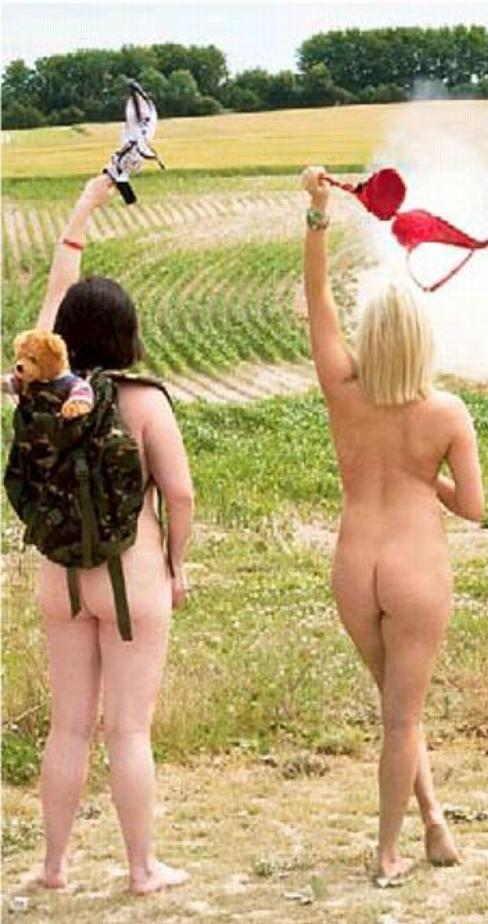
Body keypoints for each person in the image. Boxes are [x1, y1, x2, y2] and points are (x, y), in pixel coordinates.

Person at [300, 165, 485, 885]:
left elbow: (316, 298)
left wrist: (317, 214)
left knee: (396, 707)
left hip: (354, 565)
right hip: (415, 568)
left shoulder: (342, 390)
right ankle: (387, 851)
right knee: (402, 718)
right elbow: (473, 507)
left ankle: (434, 822)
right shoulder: (445, 413)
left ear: (370, 335)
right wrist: (422, 475)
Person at [30, 174, 194, 896]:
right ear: (129, 334)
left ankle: (54, 867)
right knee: (128, 730)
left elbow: (52, 300)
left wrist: (84, 208)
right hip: (134, 578)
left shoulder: (40, 389)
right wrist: (177, 563)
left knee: (68, 727)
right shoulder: (144, 402)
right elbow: (180, 493)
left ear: (62, 337)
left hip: (60, 575)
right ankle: (141, 869)